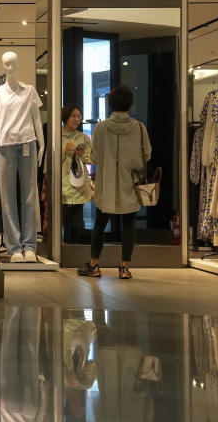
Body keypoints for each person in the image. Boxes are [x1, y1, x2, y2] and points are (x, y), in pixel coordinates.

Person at [78, 86, 151, 280]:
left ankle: (94, 265)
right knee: (129, 223)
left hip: (106, 182)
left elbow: (93, 157)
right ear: (130, 104)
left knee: (100, 224)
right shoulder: (139, 127)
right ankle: (124, 267)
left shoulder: (101, 128)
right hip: (130, 183)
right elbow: (147, 154)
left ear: (110, 103)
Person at [61, 103, 94, 244]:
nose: (76, 119)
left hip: (80, 184)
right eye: (73, 116)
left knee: (77, 224)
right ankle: (66, 251)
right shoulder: (57, 135)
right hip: (63, 184)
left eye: (78, 116)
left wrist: (81, 154)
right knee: (67, 223)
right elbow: (51, 161)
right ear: (65, 117)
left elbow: (90, 160)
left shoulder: (83, 137)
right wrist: (64, 151)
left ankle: (74, 251)